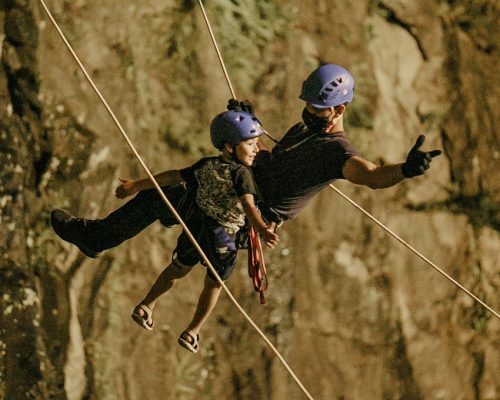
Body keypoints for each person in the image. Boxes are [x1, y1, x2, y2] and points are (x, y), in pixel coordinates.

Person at [52, 110, 279, 353]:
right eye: (251, 144)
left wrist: (136, 185)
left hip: (196, 225)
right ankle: (192, 331)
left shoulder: (207, 164)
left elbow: (173, 176)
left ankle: (146, 306)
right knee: (213, 284)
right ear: (230, 147)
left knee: (177, 268)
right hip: (222, 238)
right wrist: (263, 229)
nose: (256, 149)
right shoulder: (243, 175)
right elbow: (248, 206)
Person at [242, 63, 442, 225]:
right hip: (245, 190)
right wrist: (247, 127)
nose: (310, 113)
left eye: (318, 109)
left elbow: (372, 176)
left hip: (256, 213)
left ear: (339, 110)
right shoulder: (300, 131)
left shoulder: (336, 151)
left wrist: (405, 170)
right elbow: (265, 161)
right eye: (308, 106)